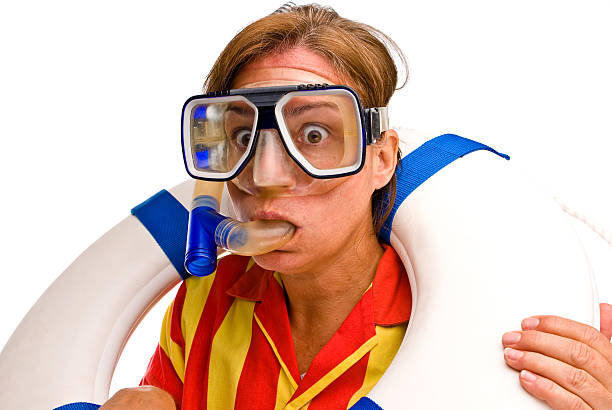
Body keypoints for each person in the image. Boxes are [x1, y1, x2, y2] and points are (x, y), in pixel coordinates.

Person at [101, 4, 612, 410]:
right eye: (240, 136)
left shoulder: (465, 313)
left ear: (382, 159)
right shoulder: (204, 299)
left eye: (315, 134)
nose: (264, 175)